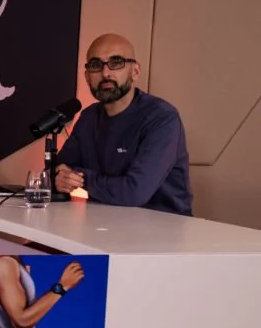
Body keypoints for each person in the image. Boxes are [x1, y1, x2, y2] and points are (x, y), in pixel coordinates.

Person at [55, 33, 192, 216]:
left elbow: (133, 193)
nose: (105, 73)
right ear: (87, 77)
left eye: (116, 62)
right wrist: (59, 177)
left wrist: (79, 177)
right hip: (104, 221)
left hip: (163, 226)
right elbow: (60, 168)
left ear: (135, 71)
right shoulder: (89, 117)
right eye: (96, 65)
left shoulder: (161, 118)